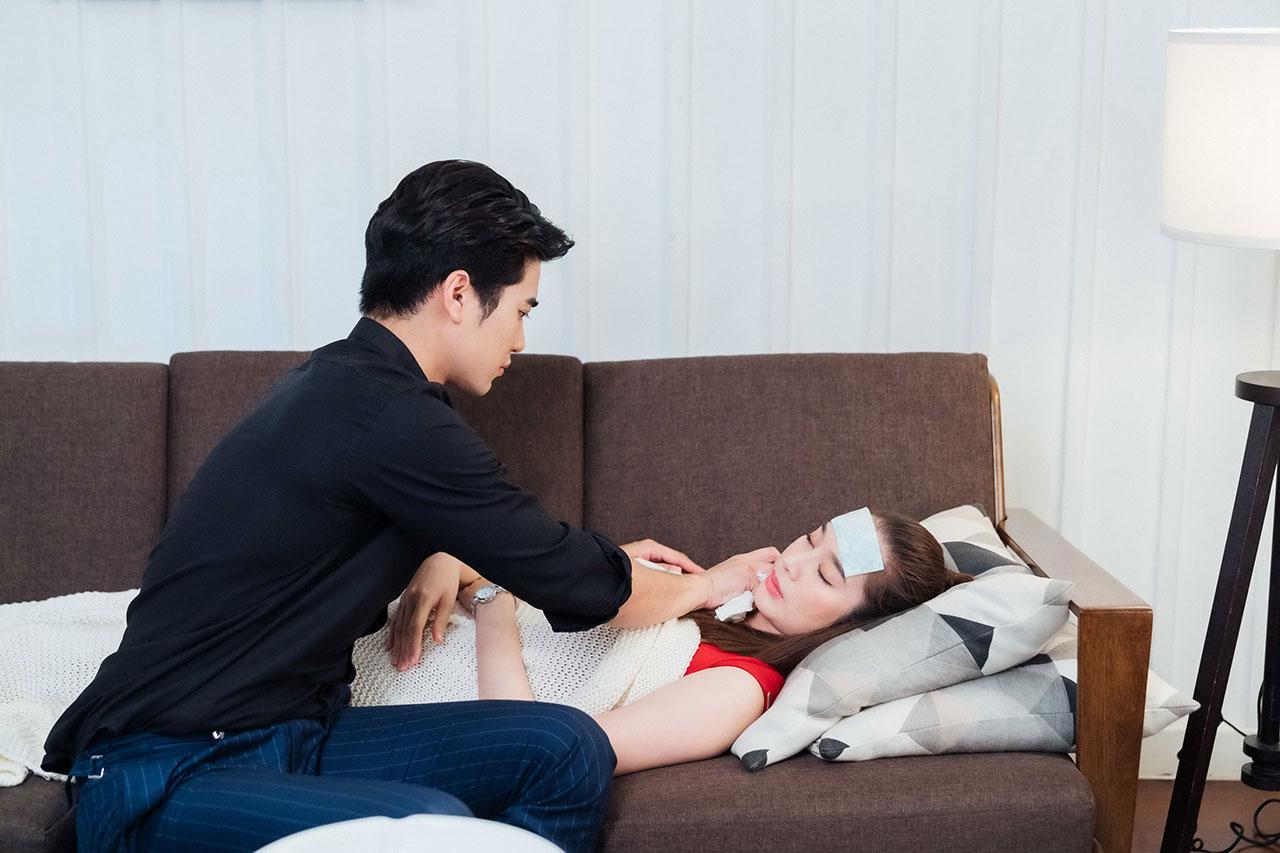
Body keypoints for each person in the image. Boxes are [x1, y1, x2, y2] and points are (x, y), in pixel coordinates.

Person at [40, 160, 764, 853]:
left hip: (296, 733)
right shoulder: (389, 417)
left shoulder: (354, 389)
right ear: (459, 293)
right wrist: (705, 585)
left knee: (565, 745)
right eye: (521, 309)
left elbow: (484, 537)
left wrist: (447, 550)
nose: (520, 339)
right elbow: (572, 576)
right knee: (433, 830)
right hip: (165, 771)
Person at [375, 508, 976, 775]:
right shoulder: (697, 592)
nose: (793, 562)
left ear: (850, 626)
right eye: (811, 538)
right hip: (398, 630)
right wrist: (454, 561)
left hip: (417, 709)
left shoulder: (737, 689)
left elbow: (533, 750)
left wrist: (491, 600)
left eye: (825, 575)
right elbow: (531, 578)